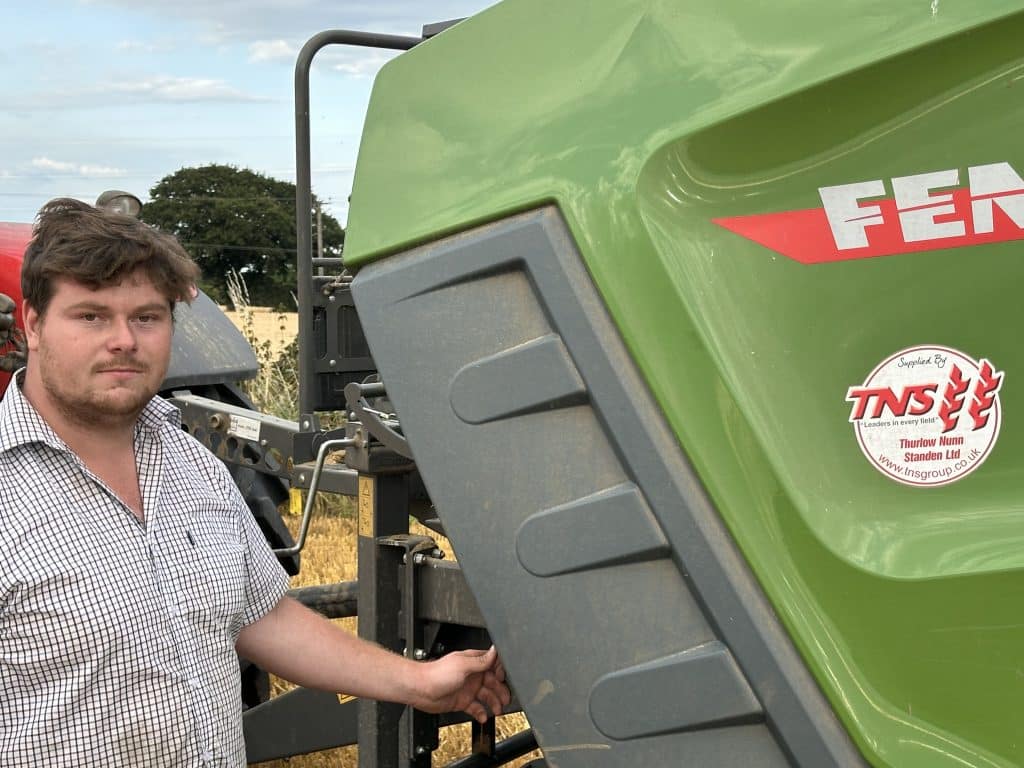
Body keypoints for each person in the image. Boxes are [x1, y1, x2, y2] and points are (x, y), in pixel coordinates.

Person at [0, 198, 510, 766]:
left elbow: (260, 616)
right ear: (34, 325)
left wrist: (420, 682)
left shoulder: (192, 464)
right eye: (91, 316)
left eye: (146, 317)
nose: (124, 339)